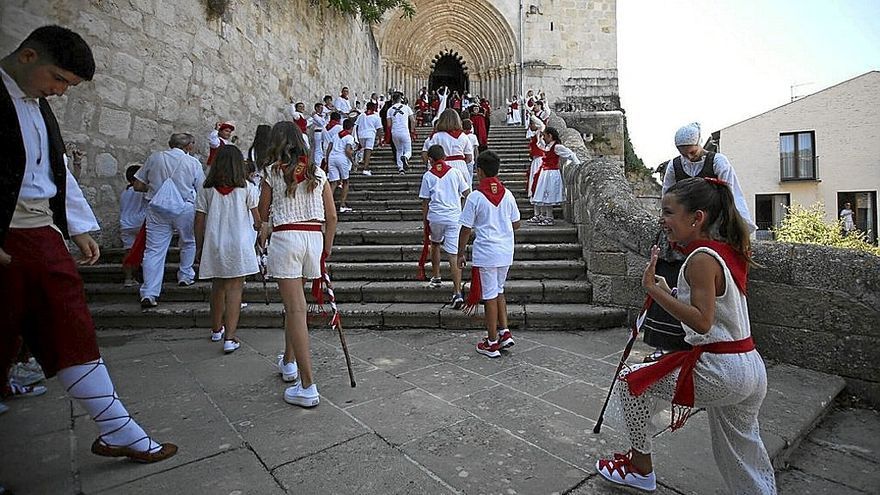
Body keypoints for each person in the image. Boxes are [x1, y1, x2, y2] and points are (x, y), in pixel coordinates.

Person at [0, 24, 176, 463]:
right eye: (58, 79)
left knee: (72, 327)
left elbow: (54, 168)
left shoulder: (38, 106)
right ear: (27, 56)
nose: (60, 91)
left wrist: (75, 225)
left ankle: (119, 429)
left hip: (40, 233)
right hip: (7, 236)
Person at [595, 177, 776, 494]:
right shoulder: (724, 252)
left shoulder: (700, 259)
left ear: (697, 218)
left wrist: (653, 290)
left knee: (631, 383)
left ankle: (640, 468)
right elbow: (715, 310)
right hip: (750, 367)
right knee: (740, 449)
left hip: (722, 369)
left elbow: (702, 322)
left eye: (668, 212)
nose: (662, 220)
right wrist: (670, 292)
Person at [258, 121, 337, 408]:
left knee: (295, 308)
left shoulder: (272, 172)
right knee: (295, 307)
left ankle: (308, 385)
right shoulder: (317, 172)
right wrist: (326, 248)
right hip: (313, 239)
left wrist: (262, 232)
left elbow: (262, 213)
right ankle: (289, 361)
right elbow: (332, 216)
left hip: (286, 237)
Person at [194, 145, 261, 353]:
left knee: (217, 286)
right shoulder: (247, 188)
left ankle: (216, 329)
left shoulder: (206, 188)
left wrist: (198, 246)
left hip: (215, 241)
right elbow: (257, 220)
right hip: (239, 242)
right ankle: (230, 338)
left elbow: (198, 220)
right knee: (235, 288)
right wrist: (260, 236)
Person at [457, 150, 521, 358]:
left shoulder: (475, 197)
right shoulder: (508, 194)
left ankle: (492, 342)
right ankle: (504, 331)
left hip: (487, 251)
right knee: (499, 290)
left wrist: (460, 253)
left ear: (480, 171)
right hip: (505, 251)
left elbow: (465, 228)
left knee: (490, 296)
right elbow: (517, 223)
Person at [133, 133, 205, 308]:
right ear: (189, 146)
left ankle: (149, 291)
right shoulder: (192, 163)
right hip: (184, 207)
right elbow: (201, 188)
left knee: (154, 250)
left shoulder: (155, 158)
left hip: (157, 207)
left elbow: (138, 184)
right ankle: (185, 275)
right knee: (188, 241)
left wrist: (157, 187)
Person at [661, 122, 756, 233]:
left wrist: (740, 225)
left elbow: (732, 192)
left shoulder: (718, 162)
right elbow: (667, 193)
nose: (689, 157)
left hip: (715, 220)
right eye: (684, 154)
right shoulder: (674, 165)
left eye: (692, 152)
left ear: (699, 143)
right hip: (686, 222)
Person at [419, 145, 471, 306]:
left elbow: (425, 201)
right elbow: (467, 193)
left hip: (435, 216)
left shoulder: (428, 175)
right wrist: (461, 208)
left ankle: (436, 276)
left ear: (431, 160)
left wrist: (424, 220)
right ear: (445, 157)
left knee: (435, 244)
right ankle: (457, 292)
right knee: (453, 254)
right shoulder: (455, 173)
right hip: (454, 216)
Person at [531, 126, 578, 226]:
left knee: (549, 195)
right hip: (545, 172)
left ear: (550, 136)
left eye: (545, 136)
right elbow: (539, 145)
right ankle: (546, 216)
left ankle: (549, 217)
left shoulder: (557, 147)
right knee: (544, 195)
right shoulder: (548, 146)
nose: (543, 138)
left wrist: (577, 163)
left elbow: (570, 154)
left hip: (551, 173)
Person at [421, 109, 473, 185]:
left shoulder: (436, 137)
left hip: (441, 168)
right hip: (460, 167)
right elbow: (469, 158)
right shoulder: (463, 136)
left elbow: (427, 154)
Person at [119, 165, 147, 287]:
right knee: (145, 251)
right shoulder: (142, 191)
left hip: (125, 223)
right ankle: (147, 276)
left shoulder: (124, 192)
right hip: (140, 222)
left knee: (128, 251)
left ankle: (128, 279)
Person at [325, 118, 356, 213]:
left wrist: (327, 160)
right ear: (351, 128)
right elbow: (347, 150)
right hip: (342, 159)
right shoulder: (349, 137)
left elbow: (328, 148)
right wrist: (353, 162)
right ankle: (342, 205)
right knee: (345, 181)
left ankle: (326, 205)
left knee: (333, 182)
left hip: (332, 158)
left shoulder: (335, 136)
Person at [387, 92, 415, 174]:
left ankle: (401, 169)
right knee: (408, 150)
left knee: (398, 150)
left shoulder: (390, 110)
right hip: (404, 131)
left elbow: (389, 124)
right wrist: (412, 130)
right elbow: (413, 120)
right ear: (400, 99)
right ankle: (406, 157)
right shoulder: (406, 108)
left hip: (395, 132)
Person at [525, 116, 546, 223]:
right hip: (535, 161)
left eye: (531, 123)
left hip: (539, 161)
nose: (530, 126)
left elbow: (542, 125)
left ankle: (541, 214)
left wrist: (532, 115)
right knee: (534, 186)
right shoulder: (535, 135)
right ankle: (537, 213)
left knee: (538, 185)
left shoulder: (540, 135)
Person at [354, 101, 383, 176]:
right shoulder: (376, 116)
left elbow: (356, 125)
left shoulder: (361, 115)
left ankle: (359, 160)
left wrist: (356, 136)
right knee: (368, 151)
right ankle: (365, 168)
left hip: (361, 134)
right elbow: (379, 129)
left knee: (363, 149)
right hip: (370, 135)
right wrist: (380, 140)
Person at [461, 118, 479, 189]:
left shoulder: (461, 136)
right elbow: (476, 149)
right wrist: (476, 158)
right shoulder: (473, 136)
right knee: (469, 177)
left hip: (462, 159)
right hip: (471, 159)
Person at [308, 103, 327, 167]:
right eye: (320, 108)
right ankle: (317, 164)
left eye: (322, 108)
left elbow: (324, 123)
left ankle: (322, 162)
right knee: (318, 148)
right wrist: (315, 116)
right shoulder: (314, 116)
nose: (322, 109)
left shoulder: (322, 115)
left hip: (323, 133)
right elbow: (321, 123)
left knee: (323, 147)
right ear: (316, 108)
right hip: (318, 132)